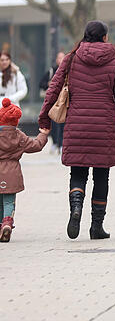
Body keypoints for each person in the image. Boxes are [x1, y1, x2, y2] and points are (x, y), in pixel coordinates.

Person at [39, 21, 115, 241]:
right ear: (104, 37)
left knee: (78, 173)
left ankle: (75, 209)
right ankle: (96, 227)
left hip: (77, 124)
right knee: (102, 176)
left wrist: (44, 116)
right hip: (105, 126)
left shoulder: (71, 59)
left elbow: (53, 89)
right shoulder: (113, 62)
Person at [0, 98, 49, 242]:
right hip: (12, 173)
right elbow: (36, 146)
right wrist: (43, 134)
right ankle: (7, 223)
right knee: (9, 202)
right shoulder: (18, 135)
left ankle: (0, 226)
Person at [40, 51, 66, 153]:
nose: (61, 60)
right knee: (54, 124)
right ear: (56, 59)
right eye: (59, 58)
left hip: (64, 101)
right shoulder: (51, 71)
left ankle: (61, 144)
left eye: (63, 58)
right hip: (54, 102)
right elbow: (41, 84)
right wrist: (49, 84)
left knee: (63, 123)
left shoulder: (68, 70)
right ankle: (55, 143)